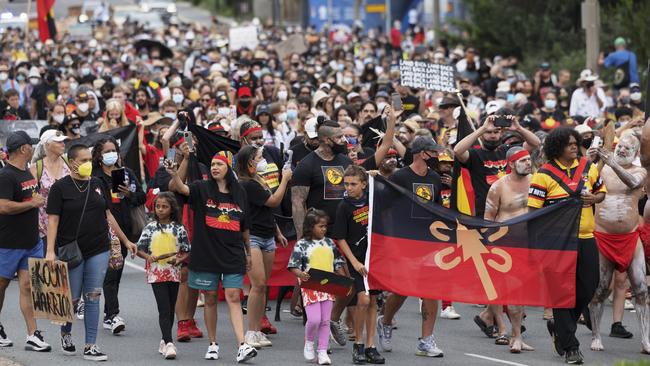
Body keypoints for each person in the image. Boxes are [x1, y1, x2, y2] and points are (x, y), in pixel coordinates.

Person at [45, 143, 137, 361]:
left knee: (94, 296)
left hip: (98, 249)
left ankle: (90, 346)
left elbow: (108, 214)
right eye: (84, 160)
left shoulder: (96, 183)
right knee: (74, 299)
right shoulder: (60, 188)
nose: (88, 163)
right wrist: (50, 251)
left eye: (89, 159)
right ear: (73, 162)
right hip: (72, 251)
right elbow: (53, 220)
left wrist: (126, 240)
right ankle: (66, 333)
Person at [166, 150, 257, 362]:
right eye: (213, 164)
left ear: (229, 168)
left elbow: (244, 227)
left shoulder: (240, 192)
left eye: (220, 164)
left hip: (233, 253)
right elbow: (180, 188)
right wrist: (174, 174)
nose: (215, 167)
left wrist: (249, 252)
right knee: (211, 298)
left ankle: (242, 345)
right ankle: (213, 344)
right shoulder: (201, 188)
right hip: (206, 254)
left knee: (234, 296)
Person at [528, 127, 605, 364]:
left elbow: (601, 192)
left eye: (576, 143)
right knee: (562, 295)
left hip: (586, 237)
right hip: (557, 243)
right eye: (570, 143)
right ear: (557, 147)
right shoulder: (543, 175)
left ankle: (559, 326)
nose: (575, 146)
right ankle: (571, 347)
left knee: (589, 287)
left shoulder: (588, 168)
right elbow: (534, 212)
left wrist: (594, 199)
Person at [377, 136, 444, 358]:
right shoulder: (401, 177)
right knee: (402, 290)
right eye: (432, 152)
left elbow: (439, 209)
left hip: (429, 242)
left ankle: (426, 340)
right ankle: (385, 322)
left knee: (431, 291)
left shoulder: (435, 178)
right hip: (404, 241)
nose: (437, 156)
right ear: (421, 153)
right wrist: (390, 237)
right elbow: (384, 206)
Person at [587, 134, 650, 353]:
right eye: (620, 146)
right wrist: (589, 161)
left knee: (641, 289)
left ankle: (645, 340)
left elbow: (633, 183)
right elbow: (581, 183)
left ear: (635, 153)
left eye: (628, 148)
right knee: (601, 288)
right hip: (602, 235)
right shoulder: (601, 169)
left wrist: (612, 163)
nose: (622, 150)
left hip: (630, 237)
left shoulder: (639, 171)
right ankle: (595, 335)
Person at [234, 145, 292, 348]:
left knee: (263, 286)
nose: (263, 160)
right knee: (257, 285)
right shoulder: (247, 184)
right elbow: (274, 201)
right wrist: (284, 178)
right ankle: (250, 332)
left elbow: (265, 211)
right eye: (259, 157)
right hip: (253, 238)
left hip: (268, 236)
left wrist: (277, 232)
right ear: (250, 163)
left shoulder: (259, 181)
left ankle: (257, 330)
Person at [0, 131, 51, 352]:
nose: (33, 147)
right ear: (22, 149)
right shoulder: (5, 176)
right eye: (30, 144)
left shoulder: (27, 172)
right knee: (1, 286)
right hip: (8, 243)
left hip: (31, 242)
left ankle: (32, 335)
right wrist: (31, 205)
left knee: (29, 287)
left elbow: (34, 199)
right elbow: (2, 206)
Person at [91, 137, 146, 335]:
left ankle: (108, 312)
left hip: (126, 229)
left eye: (113, 150)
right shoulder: (95, 177)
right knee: (111, 272)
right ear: (98, 156)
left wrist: (129, 194)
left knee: (116, 272)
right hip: (103, 230)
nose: (111, 154)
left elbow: (142, 196)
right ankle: (112, 315)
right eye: (106, 151)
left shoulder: (127, 174)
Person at [483, 146, 534, 353]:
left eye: (530, 160)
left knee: (519, 291)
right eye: (523, 160)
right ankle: (505, 330)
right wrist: (488, 246)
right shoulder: (498, 187)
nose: (528, 163)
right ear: (511, 164)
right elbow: (488, 217)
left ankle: (515, 335)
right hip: (503, 244)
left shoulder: (537, 182)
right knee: (502, 288)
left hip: (528, 244)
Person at [333, 165, 385, 364]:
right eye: (346, 184)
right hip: (356, 260)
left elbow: (387, 190)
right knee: (362, 300)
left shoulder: (372, 199)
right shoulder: (344, 206)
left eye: (353, 184)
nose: (349, 188)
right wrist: (353, 262)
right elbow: (340, 237)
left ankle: (371, 346)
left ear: (363, 184)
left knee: (372, 301)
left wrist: (376, 177)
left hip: (374, 258)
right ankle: (359, 343)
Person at [136, 192, 191, 360]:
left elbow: (186, 250)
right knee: (164, 308)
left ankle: (164, 340)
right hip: (156, 273)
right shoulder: (150, 227)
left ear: (172, 208)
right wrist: (148, 257)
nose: (160, 209)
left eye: (164, 206)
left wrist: (179, 259)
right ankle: (169, 342)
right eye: (158, 206)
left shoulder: (179, 228)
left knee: (171, 306)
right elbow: (139, 249)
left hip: (173, 272)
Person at [453, 112, 541, 217]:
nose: (493, 136)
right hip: (485, 215)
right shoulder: (475, 154)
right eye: (489, 132)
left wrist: (518, 128)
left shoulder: (508, 150)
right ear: (481, 136)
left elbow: (535, 143)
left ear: (501, 133)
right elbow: (458, 150)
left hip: (510, 213)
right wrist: (482, 129)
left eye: (496, 132)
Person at [288, 209, 346, 366]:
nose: (324, 229)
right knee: (314, 319)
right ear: (310, 227)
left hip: (328, 286)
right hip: (310, 286)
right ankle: (309, 342)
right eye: (321, 226)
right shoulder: (301, 244)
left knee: (326, 320)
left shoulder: (329, 243)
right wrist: (300, 274)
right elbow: (293, 266)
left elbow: (338, 262)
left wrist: (343, 278)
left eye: (325, 226)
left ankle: (322, 351)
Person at [29, 129, 70, 255]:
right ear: (47, 145)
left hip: (69, 222)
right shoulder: (36, 168)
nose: (63, 144)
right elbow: (30, 198)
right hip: (45, 226)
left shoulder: (69, 162)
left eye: (63, 141)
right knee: (50, 266)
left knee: (71, 262)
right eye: (58, 142)